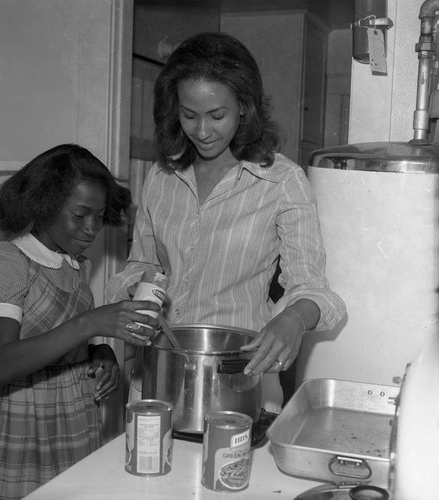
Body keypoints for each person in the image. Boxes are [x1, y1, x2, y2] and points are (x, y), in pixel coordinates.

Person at [105, 32, 346, 411]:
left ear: (245, 108)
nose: (202, 131)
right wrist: (133, 294)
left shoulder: (282, 181)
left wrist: (296, 319)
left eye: (217, 116)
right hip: (158, 371)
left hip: (239, 380)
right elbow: (143, 265)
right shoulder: (161, 176)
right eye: (189, 115)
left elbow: (313, 288)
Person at [0, 144, 161, 500]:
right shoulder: (7, 261)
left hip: (74, 417)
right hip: (22, 423)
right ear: (43, 206)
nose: (92, 228)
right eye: (80, 215)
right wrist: (91, 325)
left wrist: (99, 353)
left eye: (99, 215)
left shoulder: (76, 265)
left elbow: (63, 335)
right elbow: (1, 364)